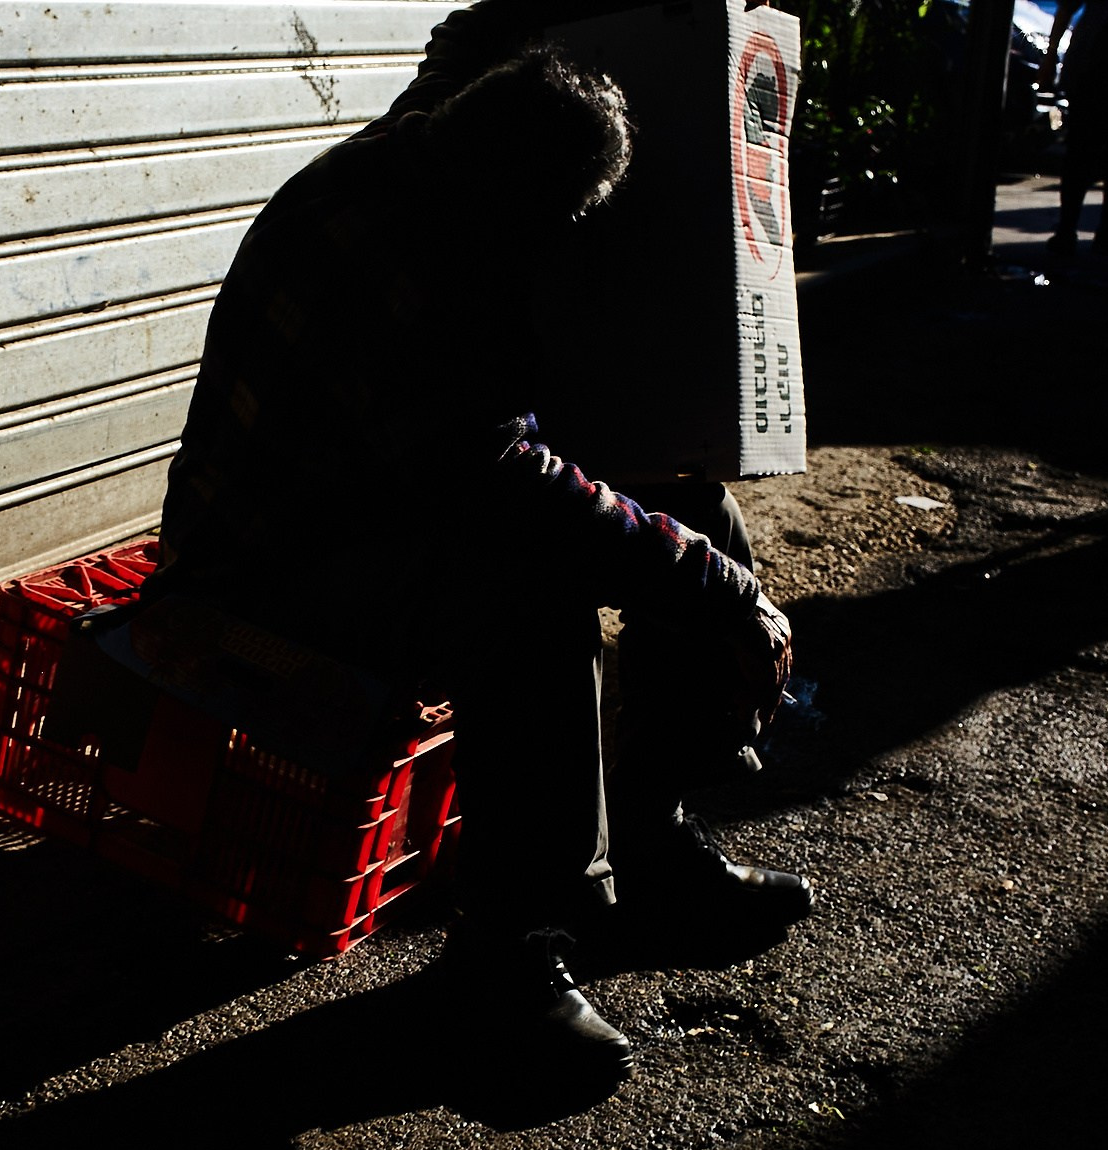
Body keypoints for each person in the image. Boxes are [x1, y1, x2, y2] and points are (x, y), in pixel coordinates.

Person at [145, 0, 810, 1087]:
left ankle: (652, 846)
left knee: (703, 518)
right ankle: (508, 956)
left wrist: (702, 555)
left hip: (381, 509)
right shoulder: (406, 243)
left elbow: (475, 33)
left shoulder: (445, 150)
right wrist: (716, 590)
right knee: (529, 601)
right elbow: (494, 479)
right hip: (261, 573)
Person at [1040, 0, 1108, 258]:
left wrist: (1051, 59)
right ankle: (1101, 231)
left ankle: (1071, 229)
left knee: (1084, 153)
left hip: (1096, 68)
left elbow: (1066, 10)